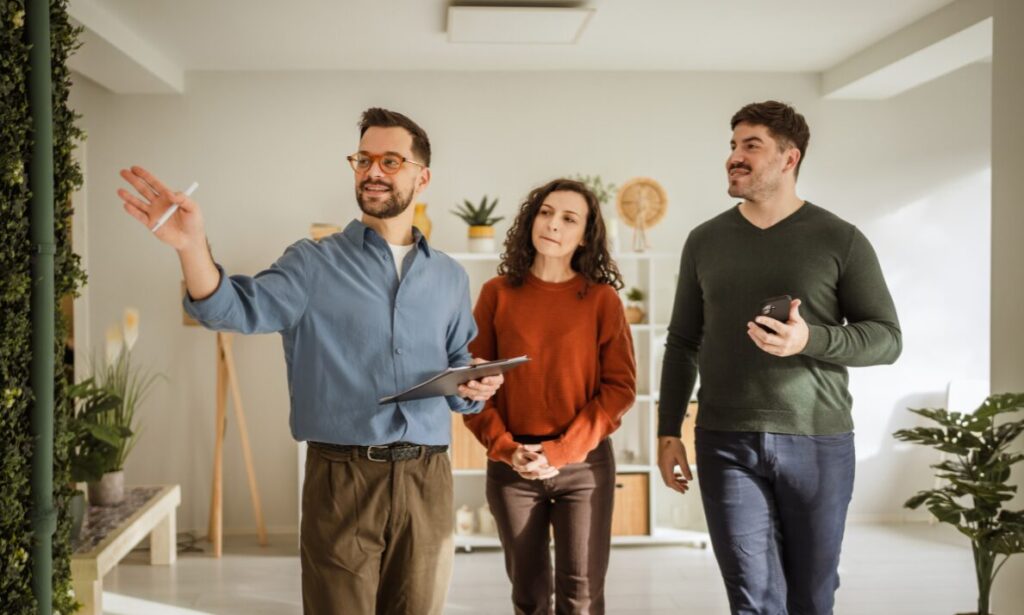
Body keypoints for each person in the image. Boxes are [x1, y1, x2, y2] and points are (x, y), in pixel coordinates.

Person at [116, 107, 503, 615]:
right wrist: (191, 247)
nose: (373, 172)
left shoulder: (450, 277)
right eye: (363, 160)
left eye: (390, 161)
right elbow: (232, 308)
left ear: (421, 176)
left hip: (429, 479)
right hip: (343, 479)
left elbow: (457, 363)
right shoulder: (312, 262)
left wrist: (473, 386)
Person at [656, 101, 902, 615]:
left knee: (812, 597)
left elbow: (886, 338)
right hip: (725, 440)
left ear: (789, 159)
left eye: (751, 145)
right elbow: (683, 342)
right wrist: (667, 431)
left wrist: (809, 339)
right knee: (751, 597)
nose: (734, 157)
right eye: (732, 146)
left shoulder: (840, 239)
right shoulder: (704, 241)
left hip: (818, 440)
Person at [463, 178, 636, 615]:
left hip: (583, 465)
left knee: (581, 596)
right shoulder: (496, 294)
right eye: (545, 212)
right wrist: (507, 450)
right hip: (512, 467)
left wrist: (562, 451)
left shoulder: (601, 301)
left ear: (584, 236)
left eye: (568, 218)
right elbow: (476, 386)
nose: (553, 224)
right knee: (529, 595)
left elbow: (619, 390)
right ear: (530, 220)